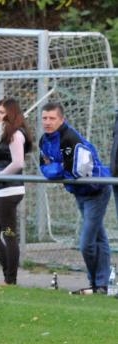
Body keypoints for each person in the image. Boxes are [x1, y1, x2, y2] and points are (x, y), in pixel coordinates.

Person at [39, 101, 111, 295]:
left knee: (87, 242)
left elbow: (73, 171)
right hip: (78, 192)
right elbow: (45, 167)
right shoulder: (44, 141)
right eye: (44, 118)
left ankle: (96, 282)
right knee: (99, 237)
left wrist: (58, 168)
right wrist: (57, 169)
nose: (47, 122)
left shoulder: (70, 138)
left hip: (96, 190)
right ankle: (101, 284)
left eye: (52, 118)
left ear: (61, 119)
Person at [0, 98, 33, 285]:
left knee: (9, 234)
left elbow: (18, 162)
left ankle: (10, 278)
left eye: (2, 112)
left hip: (9, 190)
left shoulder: (15, 134)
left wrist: (1, 175)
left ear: (11, 114)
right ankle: (8, 272)